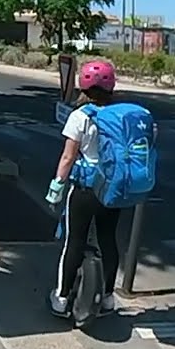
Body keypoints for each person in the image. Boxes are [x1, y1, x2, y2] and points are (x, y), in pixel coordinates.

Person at [46, 59, 127, 318]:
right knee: (108, 240)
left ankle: (61, 297)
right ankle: (107, 298)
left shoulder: (79, 116)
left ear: (83, 85)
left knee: (75, 241)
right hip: (113, 189)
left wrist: (57, 186)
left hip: (85, 189)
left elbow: (68, 157)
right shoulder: (121, 115)